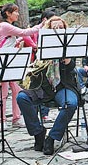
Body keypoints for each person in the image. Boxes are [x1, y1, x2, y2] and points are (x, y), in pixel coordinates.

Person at [17, 17, 81, 154]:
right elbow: (37, 70)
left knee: (71, 103)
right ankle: (38, 132)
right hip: (43, 87)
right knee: (21, 97)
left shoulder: (71, 44)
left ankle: (52, 137)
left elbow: (72, 67)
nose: (58, 30)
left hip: (64, 86)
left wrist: (68, 60)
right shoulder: (43, 45)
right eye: (54, 28)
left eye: (60, 28)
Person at [0, 3, 48, 127]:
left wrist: (20, 40)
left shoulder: (6, 26)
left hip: (11, 61)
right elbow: (25, 32)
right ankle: (1, 121)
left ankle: (16, 118)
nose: (18, 14)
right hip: (3, 61)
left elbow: (11, 42)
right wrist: (41, 25)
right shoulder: (4, 25)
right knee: (2, 93)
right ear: (8, 14)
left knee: (17, 90)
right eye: (15, 12)